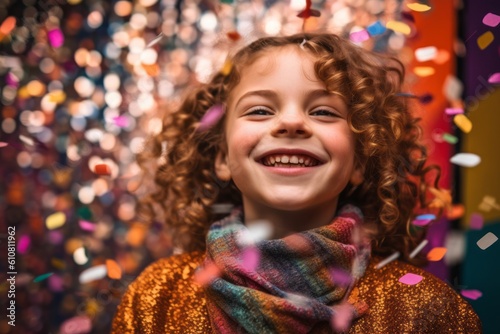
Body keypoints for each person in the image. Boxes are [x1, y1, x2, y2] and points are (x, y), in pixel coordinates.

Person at [112, 33, 481, 333]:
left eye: (323, 111)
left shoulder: (423, 310)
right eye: (260, 110)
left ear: (359, 159)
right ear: (222, 157)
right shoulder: (155, 299)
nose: (291, 123)